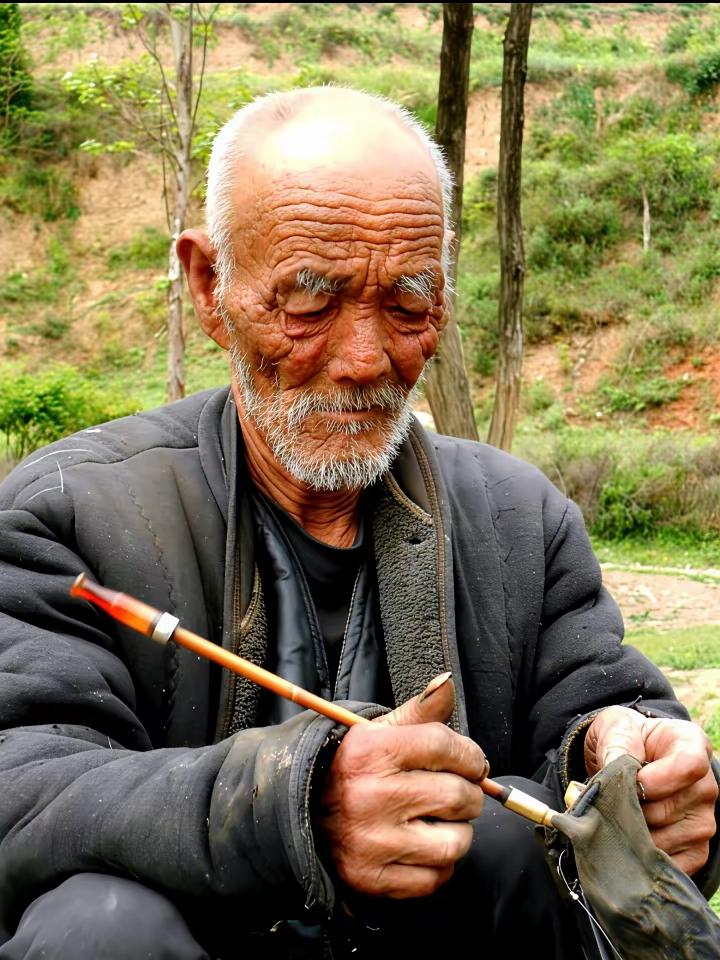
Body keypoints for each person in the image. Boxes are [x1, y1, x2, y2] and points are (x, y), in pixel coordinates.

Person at [0, 86, 717, 960]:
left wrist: (637, 770)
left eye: (407, 306)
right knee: (99, 926)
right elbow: (21, 790)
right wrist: (293, 806)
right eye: (310, 304)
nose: (365, 358)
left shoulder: (516, 519)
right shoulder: (70, 515)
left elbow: (604, 710)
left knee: (508, 844)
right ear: (210, 285)